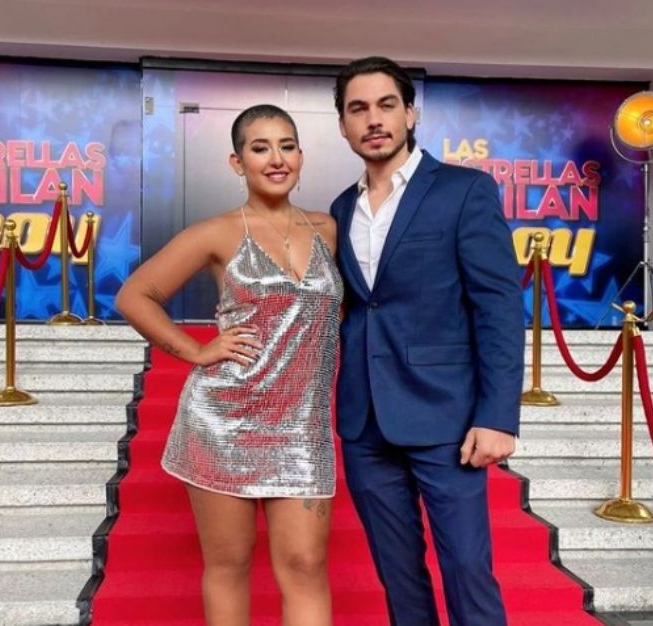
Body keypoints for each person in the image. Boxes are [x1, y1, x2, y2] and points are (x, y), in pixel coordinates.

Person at [115, 104, 342, 626]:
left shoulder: (329, 229)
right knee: (229, 564)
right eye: (260, 148)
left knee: (307, 566)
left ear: (301, 155)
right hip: (223, 421)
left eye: (286, 146)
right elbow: (134, 296)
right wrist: (196, 350)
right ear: (238, 163)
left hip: (301, 427)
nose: (276, 158)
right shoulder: (215, 232)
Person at [330, 57, 525, 626]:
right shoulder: (341, 208)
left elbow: (498, 308)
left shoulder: (465, 191)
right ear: (342, 125)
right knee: (399, 579)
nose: (374, 119)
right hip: (365, 423)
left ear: (410, 113)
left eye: (386, 105)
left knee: (467, 570)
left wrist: (497, 417)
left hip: (447, 419)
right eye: (358, 109)